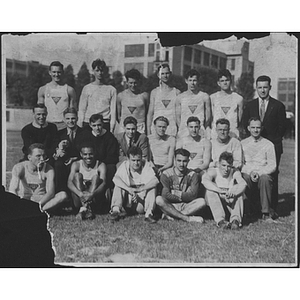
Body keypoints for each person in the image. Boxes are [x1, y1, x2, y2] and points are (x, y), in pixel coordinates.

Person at [242, 75, 286, 216]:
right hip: (253, 144)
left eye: (265, 87)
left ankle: (270, 208)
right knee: (250, 176)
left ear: (270, 88)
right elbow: (244, 123)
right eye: (260, 87)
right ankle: (253, 207)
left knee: (270, 176)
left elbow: (282, 127)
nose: (262, 90)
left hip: (272, 145)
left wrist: (271, 142)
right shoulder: (250, 105)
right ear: (256, 88)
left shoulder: (278, 105)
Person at [9, 143, 68, 213]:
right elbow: (13, 190)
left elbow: (50, 193)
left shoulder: (49, 169)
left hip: (41, 201)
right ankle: (35, 211)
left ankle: (36, 211)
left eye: (44, 156)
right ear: (29, 157)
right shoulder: (19, 167)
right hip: (24, 201)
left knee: (63, 195)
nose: (42, 159)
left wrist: (38, 204)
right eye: (38, 156)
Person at [109, 146, 159, 224]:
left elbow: (155, 180)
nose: (136, 163)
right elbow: (116, 179)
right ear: (128, 159)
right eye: (133, 160)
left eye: (138, 160)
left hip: (141, 202)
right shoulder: (125, 165)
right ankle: (115, 211)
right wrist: (129, 189)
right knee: (118, 186)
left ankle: (149, 214)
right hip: (127, 201)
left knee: (152, 188)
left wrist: (140, 190)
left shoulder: (146, 164)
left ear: (141, 158)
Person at [155, 148, 206, 223]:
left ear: (188, 161)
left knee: (202, 202)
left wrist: (174, 192)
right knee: (159, 199)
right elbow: (165, 195)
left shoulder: (193, 174)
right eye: (179, 161)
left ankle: (173, 216)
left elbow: (193, 195)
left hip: (186, 205)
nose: (181, 164)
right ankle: (187, 218)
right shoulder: (166, 174)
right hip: (171, 205)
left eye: (184, 161)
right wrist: (184, 196)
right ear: (174, 160)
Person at [241, 117, 277, 221]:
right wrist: (250, 172)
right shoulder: (243, 143)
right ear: (248, 128)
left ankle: (265, 213)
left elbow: (272, 165)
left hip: (262, 173)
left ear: (261, 128)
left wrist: (259, 173)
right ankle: (246, 211)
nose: (255, 130)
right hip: (247, 172)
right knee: (244, 178)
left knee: (265, 178)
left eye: (258, 127)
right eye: (253, 127)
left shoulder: (268, 144)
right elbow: (241, 163)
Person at [202, 152, 247, 230]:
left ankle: (235, 221)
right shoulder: (214, 171)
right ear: (219, 164)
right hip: (217, 203)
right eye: (223, 165)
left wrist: (234, 193)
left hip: (230, 202)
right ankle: (221, 221)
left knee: (238, 190)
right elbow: (204, 180)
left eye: (229, 166)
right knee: (210, 191)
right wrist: (219, 190)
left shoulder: (235, 172)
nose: (226, 169)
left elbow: (243, 184)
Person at [76, 114, 119, 193]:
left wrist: (99, 162)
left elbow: (112, 156)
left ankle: (106, 191)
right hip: (90, 161)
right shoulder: (86, 135)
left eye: (99, 125)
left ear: (103, 124)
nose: (97, 128)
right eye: (94, 125)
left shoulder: (109, 137)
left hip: (103, 163)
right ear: (90, 125)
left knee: (110, 167)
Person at [67, 143, 106, 220]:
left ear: (94, 153)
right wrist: (80, 194)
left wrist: (92, 194)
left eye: (90, 154)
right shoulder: (76, 164)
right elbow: (69, 183)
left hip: (94, 198)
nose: (88, 157)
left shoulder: (101, 165)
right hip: (79, 197)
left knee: (96, 178)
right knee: (77, 176)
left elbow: (104, 183)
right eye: (85, 154)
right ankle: (86, 208)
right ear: (81, 154)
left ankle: (83, 209)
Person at [78, 59, 117, 133]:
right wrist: (80, 125)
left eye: (102, 70)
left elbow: (113, 111)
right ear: (93, 71)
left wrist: (112, 128)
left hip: (104, 123)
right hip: (89, 123)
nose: (100, 73)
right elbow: (82, 109)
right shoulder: (87, 88)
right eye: (97, 70)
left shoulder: (111, 89)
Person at [37, 61, 76, 130]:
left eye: (59, 72)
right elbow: (39, 111)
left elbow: (72, 111)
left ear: (63, 72)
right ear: (50, 72)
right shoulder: (43, 89)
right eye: (54, 72)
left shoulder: (69, 90)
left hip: (64, 125)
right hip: (47, 124)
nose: (56, 74)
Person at [53, 107, 83, 193]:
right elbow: (56, 150)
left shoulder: (84, 133)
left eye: (73, 118)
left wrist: (75, 158)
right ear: (64, 119)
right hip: (64, 160)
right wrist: (59, 150)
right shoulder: (59, 134)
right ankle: (61, 193)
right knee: (58, 165)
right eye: (68, 118)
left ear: (77, 118)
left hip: (78, 160)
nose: (70, 121)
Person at [176, 69, 211, 139]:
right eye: (190, 80)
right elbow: (178, 117)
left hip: (200, 132)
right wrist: (184, 128)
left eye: (194, 80)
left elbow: (208, 117)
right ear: (186, 81)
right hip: (184, 132)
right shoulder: (180, 97)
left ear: (198, 81)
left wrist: (200, 127)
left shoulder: (204, 96)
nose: (192, 83)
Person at [147, 64, 180, 136]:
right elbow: (150, 114)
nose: (165, 76)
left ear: (170, 74)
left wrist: (180, 131)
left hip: (171, 129)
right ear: (158, 75)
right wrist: (149, 132)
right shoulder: (154, 92)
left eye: (167, 73)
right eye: (162, 73)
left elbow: (179, 115)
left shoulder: (176, 92)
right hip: (156, 129)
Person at [210, 69, 243, 139]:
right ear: (218, 83)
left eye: (227, 80)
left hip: (233, 135)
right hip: (216, 136)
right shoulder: (212, 98)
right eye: (222, 81)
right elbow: (210, 118)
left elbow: (240, 120)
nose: (225, 83)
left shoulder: (238, 98)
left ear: (231, 81)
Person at [116, 69, 149, 134]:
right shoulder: (120, 95)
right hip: (124, 127)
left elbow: (147, 114)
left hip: (140, 127)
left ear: (139, 82)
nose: (133, 85)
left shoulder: (144, 95)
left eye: (135, 83)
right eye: (131, 83)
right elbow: (118, 116)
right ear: (127, 82)